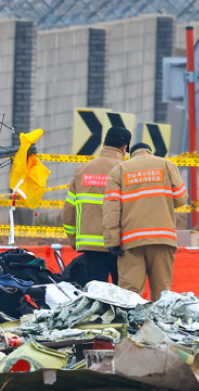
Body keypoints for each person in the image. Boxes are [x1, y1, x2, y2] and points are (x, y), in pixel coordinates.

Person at [102, 142, 188, 302]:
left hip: (131, 241)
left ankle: (132, 325)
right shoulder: (166, 165)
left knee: (130, 294)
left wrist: (112, 241)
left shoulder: (119, 171)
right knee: (162, 292)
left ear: (131, 154)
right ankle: (158, 325)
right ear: (149, 151)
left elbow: (110, 210)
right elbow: (181, 198)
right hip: (162, 238)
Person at [62, 126, 131, 285]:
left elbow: (68, 211)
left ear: (104, 143)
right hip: (118, 244)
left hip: (90, 244)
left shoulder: (83, 170)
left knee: (95, 292)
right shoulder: (125, 170)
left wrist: (76, 241)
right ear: (124, 148)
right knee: (120, 294)